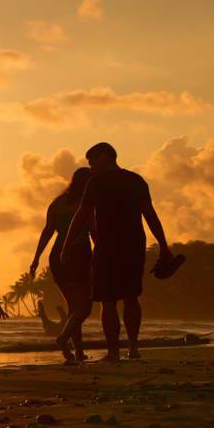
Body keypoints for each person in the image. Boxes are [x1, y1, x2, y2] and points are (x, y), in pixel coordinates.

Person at [60, 142, 173, 361]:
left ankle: (114, 352)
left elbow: (82, 216)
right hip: (133, 245)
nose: (91, 167)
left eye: (93, 162)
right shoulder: (135, 180)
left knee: (108, 300)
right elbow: (150, 215)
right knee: (130, 296)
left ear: (105, 157)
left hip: (108, 246)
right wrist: (163, 246)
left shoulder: (96, 183)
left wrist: (66, 245)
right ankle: (132, 348)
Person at [29, 168, 93, 363]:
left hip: (57, 255)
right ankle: (64, 338)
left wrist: (36, 258)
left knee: (74, 306)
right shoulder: (87, 203)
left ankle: (76, 352)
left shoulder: (57, 203)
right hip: (79, 253)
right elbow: (94, 230)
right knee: (85, 306)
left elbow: (47, 232)